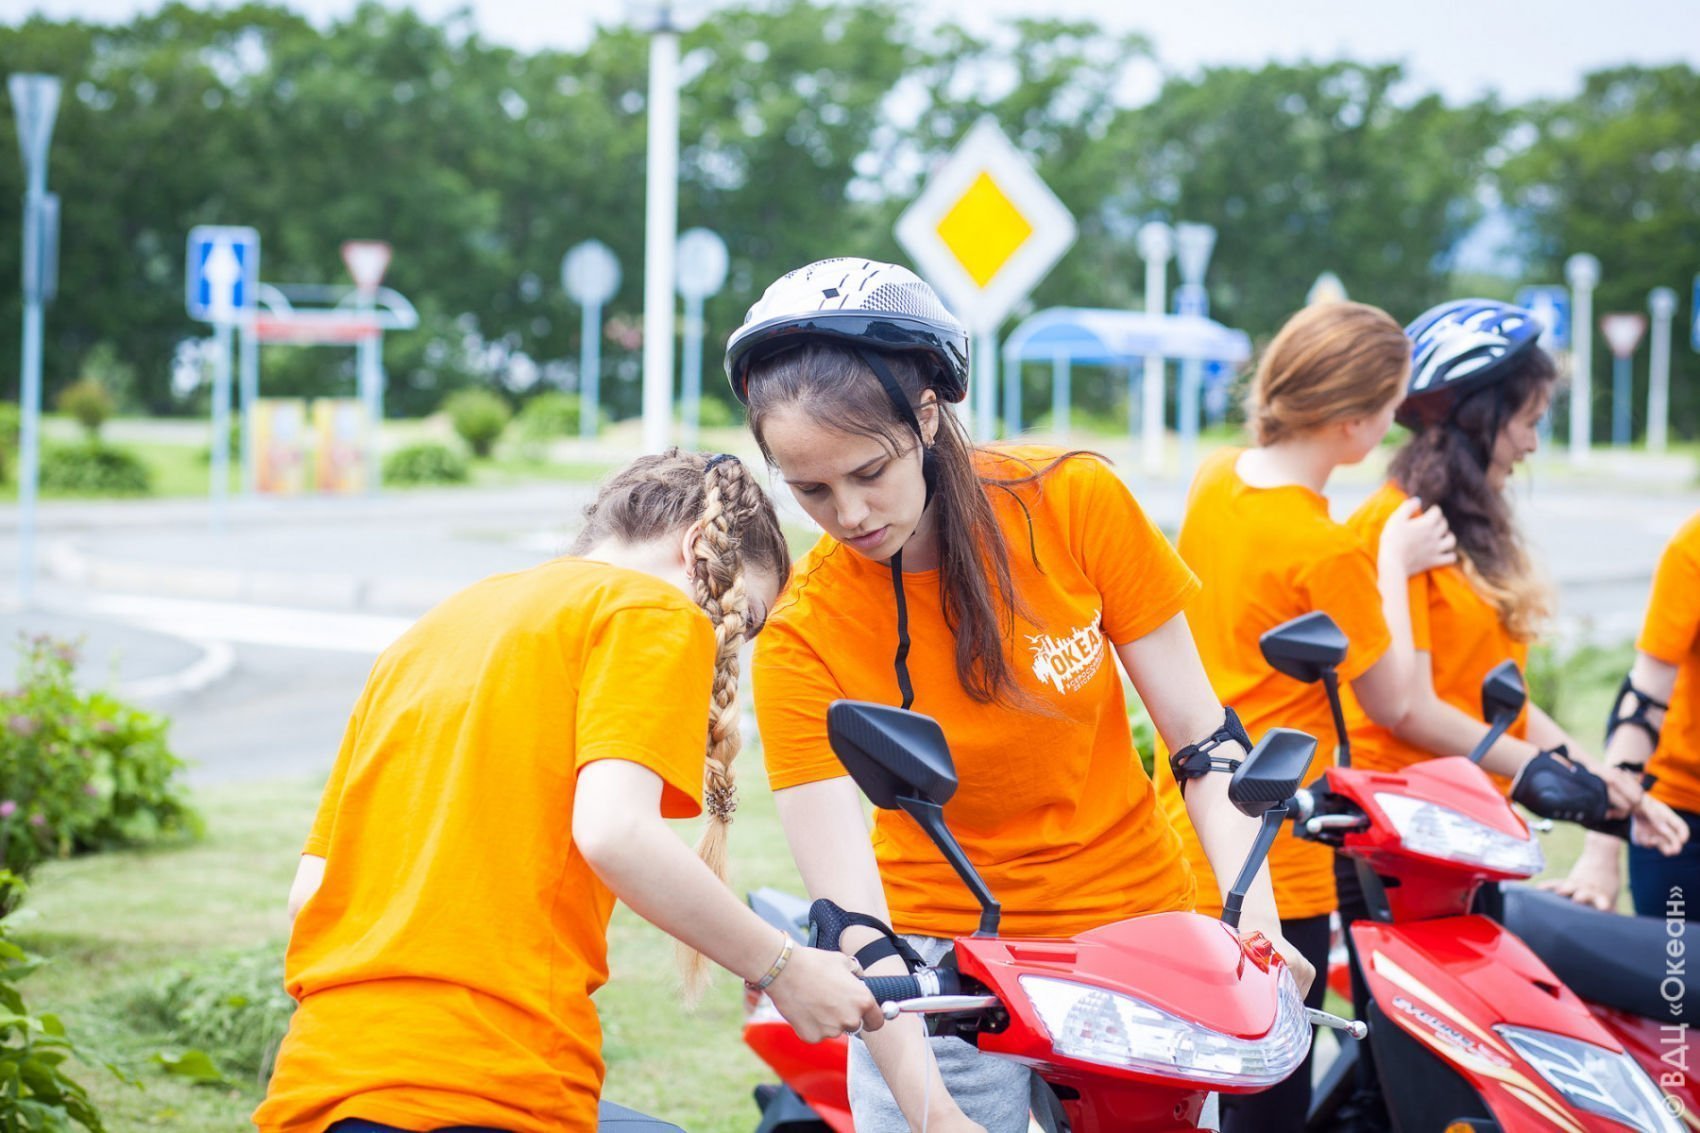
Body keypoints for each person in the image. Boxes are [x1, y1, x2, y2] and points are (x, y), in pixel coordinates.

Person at [726, 259, 1310, 1133]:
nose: (849, 514)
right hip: (934, 966)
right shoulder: (803, 632)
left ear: (928, 415)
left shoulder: (1071, 501)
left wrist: (1256, 925)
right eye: (811, 489)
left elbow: (1204, 742)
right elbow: (853, 915)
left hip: (1133, 928)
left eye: (870, 470)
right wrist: (932, 1112)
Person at [254, 450, 883, 1133]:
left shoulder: (428, 634)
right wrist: (784, 968)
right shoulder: (651, 609)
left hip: (321, 1078)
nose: (725, 650)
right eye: (738, 617)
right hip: (484, 1083)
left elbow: (309, 894)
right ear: (697, 548)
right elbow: (616, 831)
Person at [1334, 299, 1686, 1131]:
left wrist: (1609, 784)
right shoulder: (1399, 528)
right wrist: (1543, 773)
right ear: (1478, 415)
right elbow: (1412, 708)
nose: (1531, 442)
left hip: (1465, 834)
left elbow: (1503, 698)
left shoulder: (1467, 525)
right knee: (1404, 1084)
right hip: (1400, 843)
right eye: (1526, 419)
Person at [1153, 300, 1457, 1133]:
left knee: (1200, 1079)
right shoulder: (1330, 548)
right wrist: (1391, 557)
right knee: (1272, 1092)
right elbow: (1393, 698)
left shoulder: (1216, 477)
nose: (1395, 424)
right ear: (1354, 423)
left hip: (1187, 815)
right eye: (1391, 407)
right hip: (1276, 852)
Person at [1550, 506, 1700, 917]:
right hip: (1679, 819)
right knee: (1674, 958)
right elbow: (1644, 700)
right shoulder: (1693, 546)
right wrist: (1601, 850)